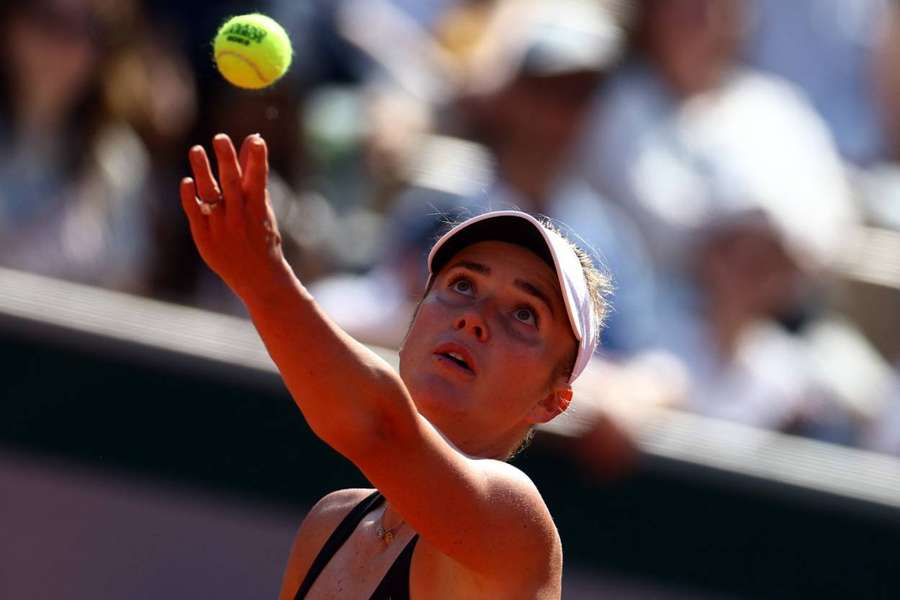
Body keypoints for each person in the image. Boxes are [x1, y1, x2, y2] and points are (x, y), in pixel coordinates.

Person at [180, 133, 610, 598]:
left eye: (525, 313)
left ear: (552, 401)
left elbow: (382, 429)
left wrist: (264, 280)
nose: (474, 318)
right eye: (463, 285)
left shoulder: (514, 520)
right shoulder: (329, 525)